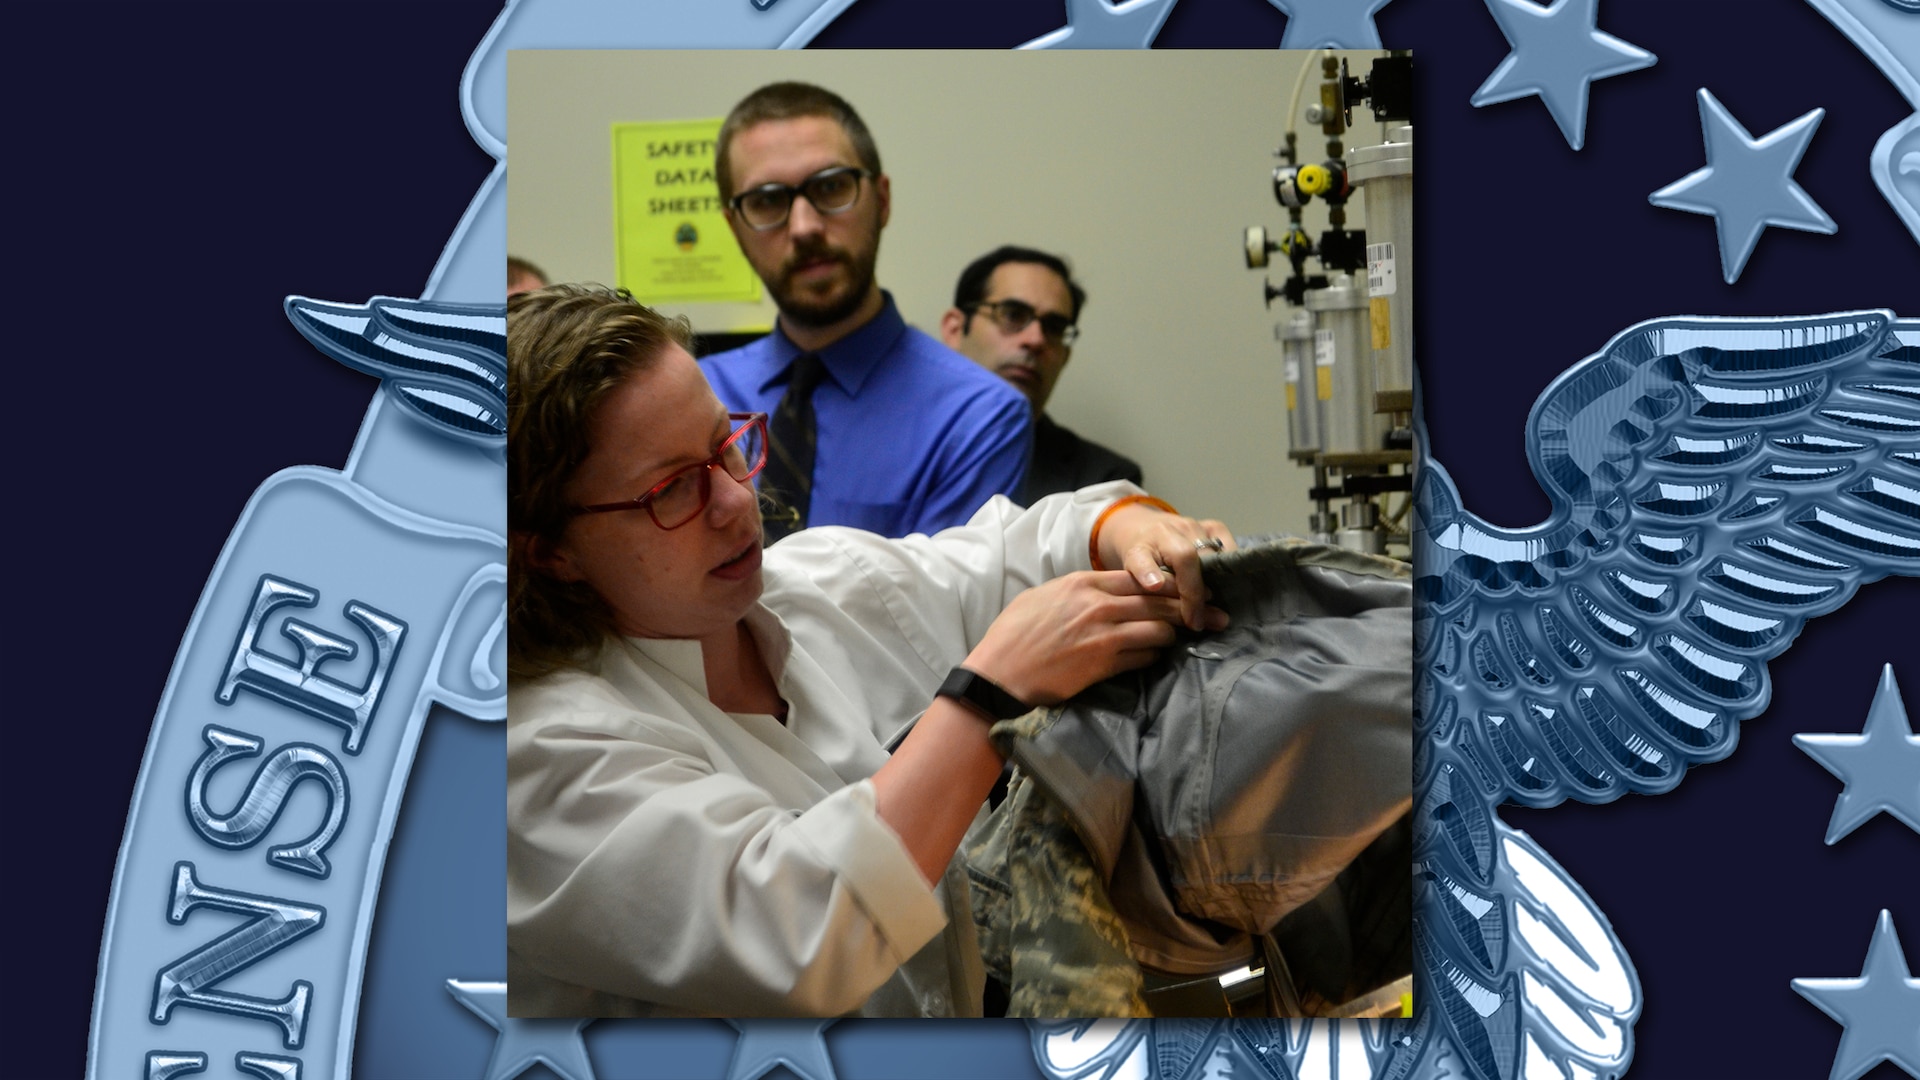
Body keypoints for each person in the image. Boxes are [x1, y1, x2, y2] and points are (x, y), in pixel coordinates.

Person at [505, 284, 1234, 1017]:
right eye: (670, 491)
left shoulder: (817, 585)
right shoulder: (539, 755)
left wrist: (1132, 530)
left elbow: (1026, 546)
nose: (733, 501)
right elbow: (804, 938)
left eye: (725, 445)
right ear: (549, 551)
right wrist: (989, 698)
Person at [699, 82, 1030, 541]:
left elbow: (941, 608)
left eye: (832, 187)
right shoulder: (696, 393)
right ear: (734, 228)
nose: (804, 227)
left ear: (883, 200)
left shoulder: (977, 417)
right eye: (767, 201)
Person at [941, 246, 1144, 503]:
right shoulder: (891, 434)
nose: (1036, 339)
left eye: (1054, 327)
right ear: (955, 330)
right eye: (1012, 315)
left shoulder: (1104, 483)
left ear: (1065, 356)